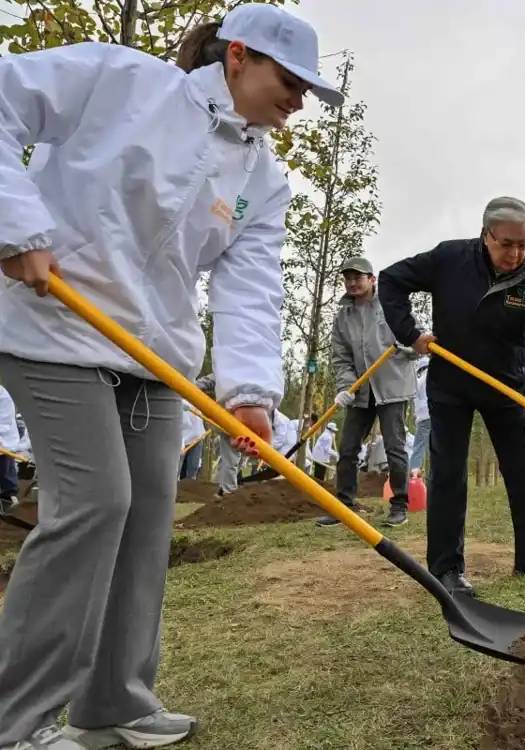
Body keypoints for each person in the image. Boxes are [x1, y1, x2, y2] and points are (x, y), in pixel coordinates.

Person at [0, 4, 342, 747]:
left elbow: (251, 287)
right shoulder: (119, 80)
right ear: (240, 57)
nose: (299, 101)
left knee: (149, 514)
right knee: (95, 502)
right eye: (290, 81)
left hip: (154, 355)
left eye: (309, 91)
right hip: (56, 325)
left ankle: (115, 702)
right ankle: (14, 720)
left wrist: (250, 394)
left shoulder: (262, 177)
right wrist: (14, 225)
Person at [378, 196, 525, 597]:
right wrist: (411, 334)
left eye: (524, 244)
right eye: (507, 244)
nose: (516, 253)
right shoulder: (450, 258)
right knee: (449, 473)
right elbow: (391, 279)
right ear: (486, 236)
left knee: (520, 469)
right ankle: (447, 569)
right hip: (451, 383)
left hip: (506, 383)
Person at [316, 257, 419, 529]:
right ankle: (344, 506)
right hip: (360, 391)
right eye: (347, 278)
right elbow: (341, 357)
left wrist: (405, 346)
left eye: (358, 277)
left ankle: (399, 506)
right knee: (348, 448)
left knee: (395, 447)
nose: (352, 283)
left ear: (371, 279)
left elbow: (417, 341)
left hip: (391, 388)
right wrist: (344, 388)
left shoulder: (391, 304)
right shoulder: (343, 317)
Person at [409, 357, 431, 478]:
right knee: (435, 447)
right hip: (433, 415)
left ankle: (414, 472)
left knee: (418, 447)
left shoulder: (417, 381)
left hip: (422, 418)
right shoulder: (431, 377)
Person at [0, 384, 20, 511]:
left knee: (4, 469)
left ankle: (9, 498)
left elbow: (4, 422)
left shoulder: (3, 395)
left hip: (4, 439)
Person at [178, 405, 206, 481]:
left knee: (193, 468)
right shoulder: (180, 401)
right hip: (181, 439)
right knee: (176, 471)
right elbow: (185, 423)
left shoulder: (194, 397)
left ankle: (189, 488)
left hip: (197, 438)